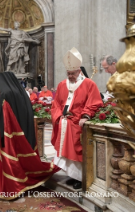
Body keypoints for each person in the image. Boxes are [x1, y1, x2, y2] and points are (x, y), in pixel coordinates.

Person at [0, 72, 60, 200]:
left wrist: (0, 135)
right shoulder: (21, 93)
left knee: (12, 161)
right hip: (24, 132)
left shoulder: (5, 95)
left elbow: (0, 117)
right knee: (23, 158)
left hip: (10, 135)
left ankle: (13, 187)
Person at [51, 47, 103, 189]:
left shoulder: (89, 84)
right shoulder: (62, 85)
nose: (70, 76)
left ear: (79, 71)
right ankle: (71, 174)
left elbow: (94, 102)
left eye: (73, 73)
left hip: (77, 124)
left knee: (77, 149)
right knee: (64, 151)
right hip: (64, 123)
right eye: (68, 73)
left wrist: (85, 115)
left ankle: (80, 177)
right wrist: (58, 116)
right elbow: (55, 105)